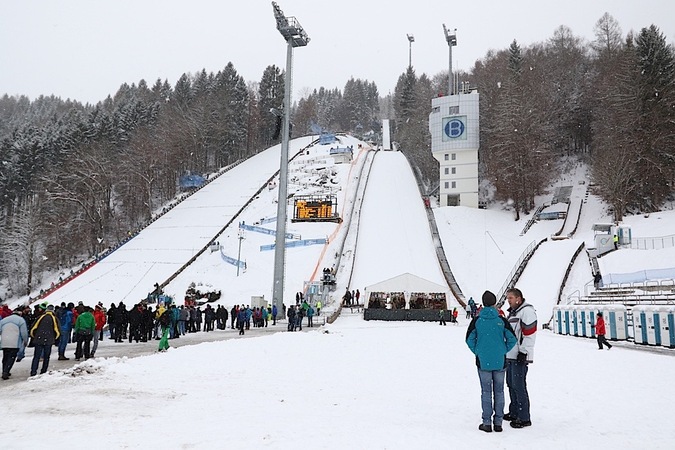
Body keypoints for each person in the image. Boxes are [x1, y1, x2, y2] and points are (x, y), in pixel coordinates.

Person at [466, 291, 517, 433]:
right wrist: (503, 350)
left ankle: (487, 422)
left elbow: (469, 339)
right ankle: (498, 422)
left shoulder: (477, 320)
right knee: (499, 391)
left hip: (483, 362)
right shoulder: (501, 320)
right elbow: (512, 339)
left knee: (486, 391)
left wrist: (478, 351)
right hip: (500, 361)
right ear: (495, 303)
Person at [504, 288, 537, 429]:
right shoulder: (513, 313)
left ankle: (524, 417)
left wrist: (524, 351)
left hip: (519, 356)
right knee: (511, 384)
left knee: (519, 386)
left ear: (518, 298)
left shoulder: (527, 312)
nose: (508, 301)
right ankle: (514, 411)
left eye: (510, 298)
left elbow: (529, 333)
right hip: (510, 355)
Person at [29, 303, 61, 376]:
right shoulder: (54, 318)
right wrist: (55, 339)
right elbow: (57, 330)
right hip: (49, 340)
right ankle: (43, 371)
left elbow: (33, 328)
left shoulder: (40, 317)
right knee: (46, 357)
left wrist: (34, 336)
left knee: (36, 356)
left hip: (39, 339)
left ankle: (33, 371)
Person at [0, 307, 28, 380]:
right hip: (14, 342)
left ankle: (4, 370)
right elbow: (24, 333)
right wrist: (25, 341)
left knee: (5, 357)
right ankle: (6, 372)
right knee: (11, 357)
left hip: (4, 341)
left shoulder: (4, 320)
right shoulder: (21, 320)